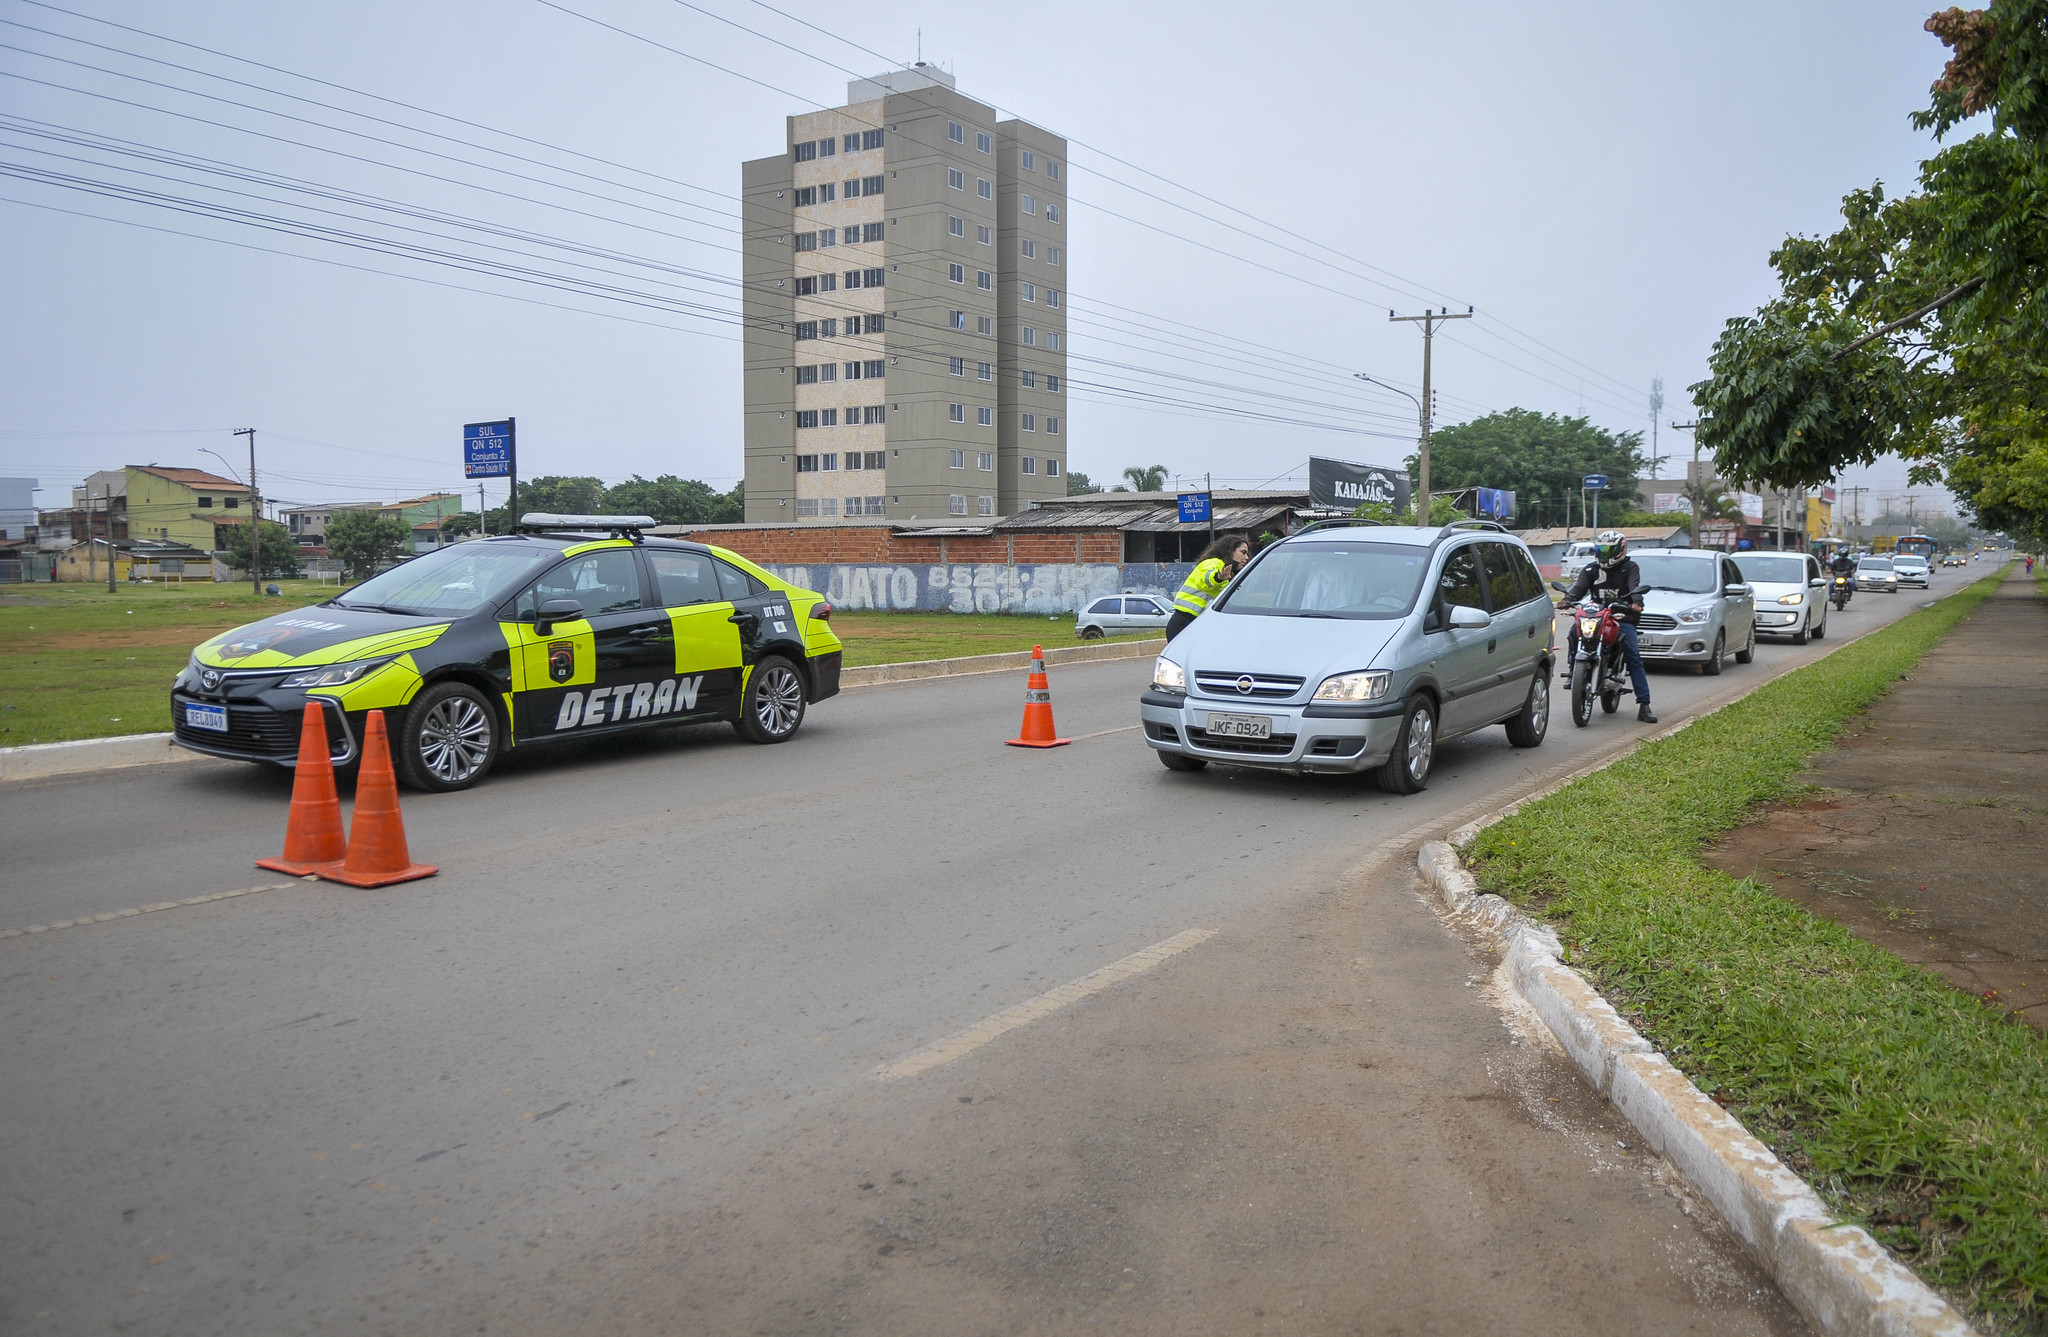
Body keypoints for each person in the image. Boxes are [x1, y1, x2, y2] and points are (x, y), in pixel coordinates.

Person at [1560, 529, 1657, 723]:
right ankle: (1573, 670)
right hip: (1596, 615)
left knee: (1633, 656)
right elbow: (1578, 589)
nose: (1604, 554)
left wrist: (1636, 602)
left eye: (1608, 550)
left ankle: (1644, 705)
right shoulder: (1590, 570)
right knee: (1573, 632)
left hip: (1621, 616)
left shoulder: (1630, 567)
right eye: (1601, 550)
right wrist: (1567, 599)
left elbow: (1634, 587)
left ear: (1620, 550)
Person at [1165, 534, 1250, 641]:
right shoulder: (1214, 563)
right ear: (1230, 551)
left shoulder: (1230, 574)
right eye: (1243, 552)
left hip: (1198, 624)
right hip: (1184, 623)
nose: (1246, 558)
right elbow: (1206, 579)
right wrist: (1218, 577)